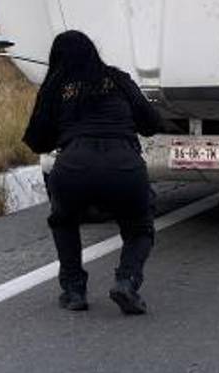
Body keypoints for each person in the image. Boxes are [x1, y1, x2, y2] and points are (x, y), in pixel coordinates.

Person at [23, 30, 164, 314]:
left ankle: (74, 290)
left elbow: (37, 141)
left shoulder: (55, 86)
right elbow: (151, 123)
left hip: (74, 167)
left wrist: (65, 130)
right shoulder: (118, 79)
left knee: (64, 220)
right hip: (124, 166)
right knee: (139, 228)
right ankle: (127, 281)